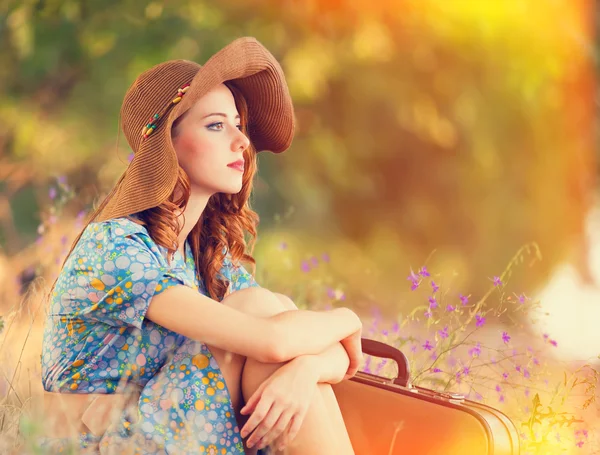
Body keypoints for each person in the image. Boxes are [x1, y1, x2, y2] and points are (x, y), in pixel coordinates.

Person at [40, 37, 362, 455]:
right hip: (100, 445)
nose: (241, 141)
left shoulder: (203, 253)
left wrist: (306, 370)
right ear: (166, 145)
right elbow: (272, 340)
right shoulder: (118, 247)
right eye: (216, 125)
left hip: (170, 430)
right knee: (262, 313)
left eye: (237, 124)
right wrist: (348, 317)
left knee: (274, 311)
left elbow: (314, 351)